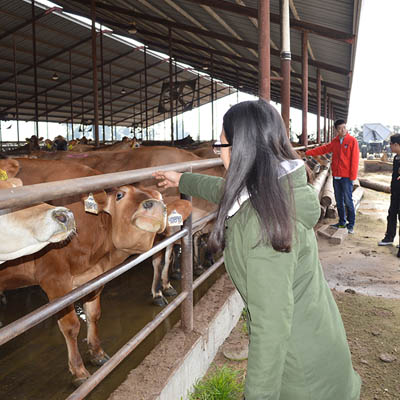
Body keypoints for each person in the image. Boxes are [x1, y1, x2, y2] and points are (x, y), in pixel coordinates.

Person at [153, 100, 361, 400]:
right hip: (318, 344)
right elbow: (228, 192)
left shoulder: (264, 225)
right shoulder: (278, 188)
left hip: (303, 377)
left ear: (241, 149)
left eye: (220, 145)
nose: (218, 153)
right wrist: (182, 179)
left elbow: (271, 328)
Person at [305, 119, 359, 234]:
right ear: (336, 130)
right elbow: (324, 149)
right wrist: (309, 152)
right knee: (339, 201)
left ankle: (351, 224)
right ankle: (342, 222)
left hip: (346, 178)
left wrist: (352, 177)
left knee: (348, 201)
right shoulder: (335, 142)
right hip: (336, 176)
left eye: (344, 127)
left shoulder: (352, 141)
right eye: (340, 128)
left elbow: (355, 160)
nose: (343, 130)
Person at [378, 134, 400, 256]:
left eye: (391, 144)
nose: (390, 147)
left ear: (396, 144)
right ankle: (389, 237)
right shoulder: (397, 158)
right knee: (392, 213)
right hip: (396, 191)